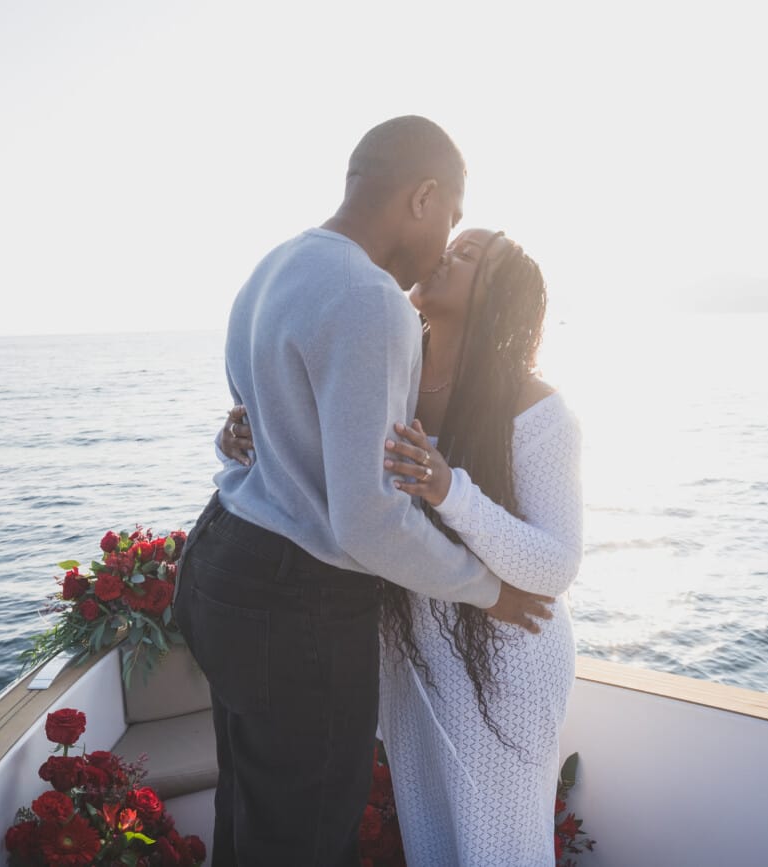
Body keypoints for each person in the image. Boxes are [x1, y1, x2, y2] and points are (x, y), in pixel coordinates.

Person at [172, 116, 554, 867]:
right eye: (449, 217)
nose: (445, 242)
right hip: (294, 602)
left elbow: (265, 423)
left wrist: (236, 436)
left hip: (222, 561)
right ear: (423, 196)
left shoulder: (276, 265)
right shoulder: (371, 298)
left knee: (248, 818)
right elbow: (369, 520)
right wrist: (488, 590)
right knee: (306, 841)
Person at [220, 227, 583, 865]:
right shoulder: (389, 380)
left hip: (506, 660)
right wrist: (243, 439)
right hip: (407, 654)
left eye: (466, 256)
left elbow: (554, 566)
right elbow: (315, 465)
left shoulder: (537, 410)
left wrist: (451, 491)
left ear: (498, 297)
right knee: (432, 846)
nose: (444, 252)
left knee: (503, 851)